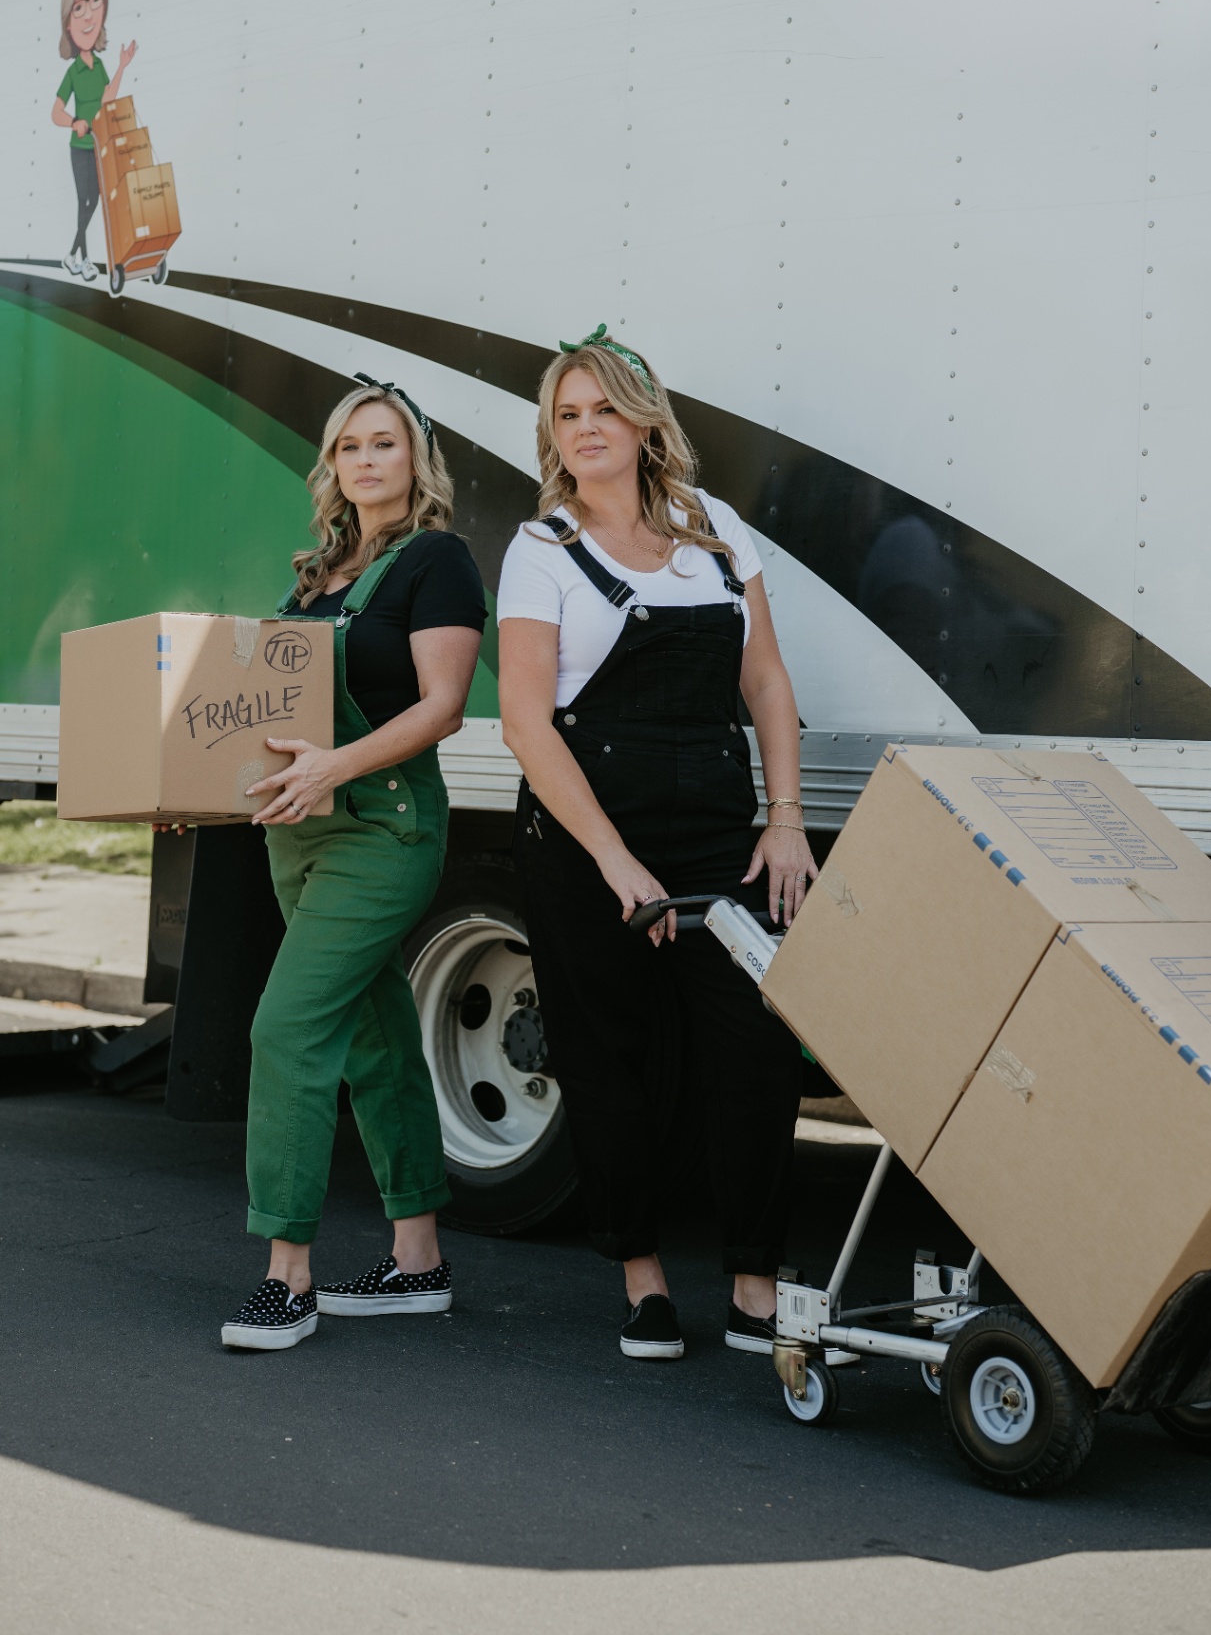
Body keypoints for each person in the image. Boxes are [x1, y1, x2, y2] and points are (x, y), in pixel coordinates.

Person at [497, 326, 817, 1363]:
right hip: (585, 840)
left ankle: (754, 1285)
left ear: (644, 423)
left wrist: (784, 819)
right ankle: (643, 1282)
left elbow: (764, 680)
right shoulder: (541, 549)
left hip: (720, 835)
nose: (585, 429)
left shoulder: (716, 529)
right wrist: (613, 858)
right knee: (611, 1059)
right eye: (567, 414)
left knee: (756, 1050)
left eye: (603, 409)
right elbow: (524, 723)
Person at [218, 375, 486, 1350]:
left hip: (384, 832)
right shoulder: (315, 576)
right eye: (350, 446)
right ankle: (418, 1260)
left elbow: (442, 707)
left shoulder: (437, 561)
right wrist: (188, 793)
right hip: (298, 836)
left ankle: (286, 1276)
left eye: (385, 442)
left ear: (415, 458)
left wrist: (337, 765)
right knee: (375, 1038)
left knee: (286, 1030)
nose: (367, 460)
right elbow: (265, 710)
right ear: (331, 464)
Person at [51, 0, 136, 282]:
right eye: (78, 7)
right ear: (68, 22)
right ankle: (84, 259)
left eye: (95, 1)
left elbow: (106, 99)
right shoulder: (73, 72)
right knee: (84, 202)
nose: (88, 16)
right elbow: (55, 111)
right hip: (80, 146)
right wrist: (74, 122)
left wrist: (122, 66)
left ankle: (72, 255)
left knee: (96, 200)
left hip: (99, 144)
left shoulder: (98, 66)